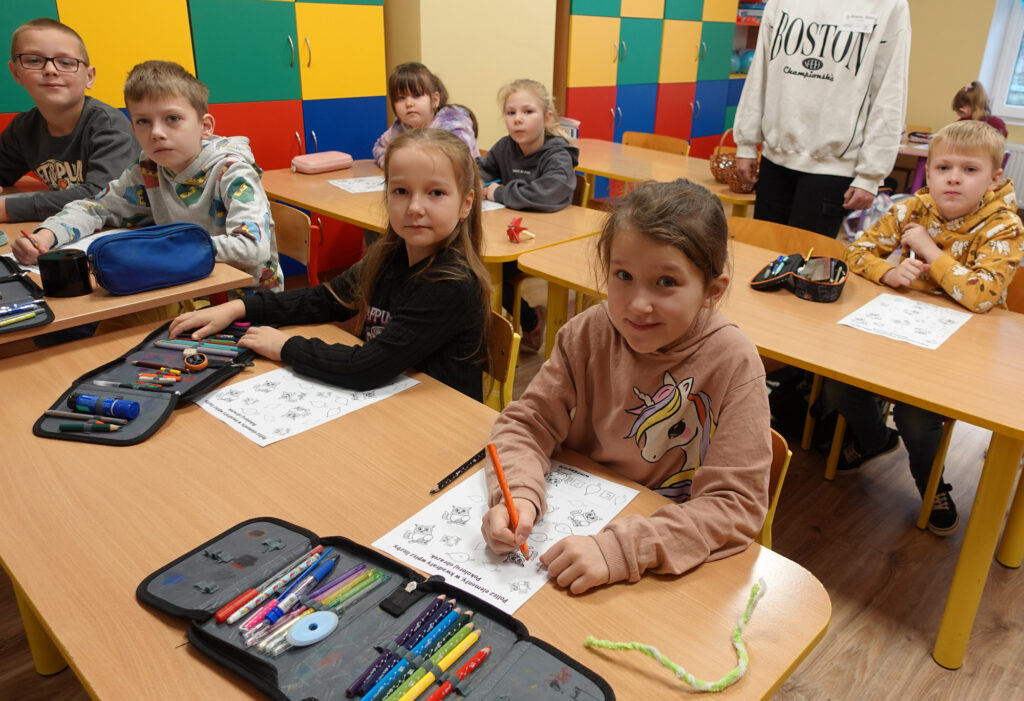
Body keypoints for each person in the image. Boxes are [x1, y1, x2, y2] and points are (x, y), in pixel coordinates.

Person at [480, 179, 771, 594]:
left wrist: (621, 550)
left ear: (712, 291)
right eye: (623, 276)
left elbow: (735, 506)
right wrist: (518, 495)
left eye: (666, 282)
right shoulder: (588, 332)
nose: (637, 304)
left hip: (662, 562)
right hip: (574, 532)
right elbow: (526, 424)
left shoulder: (734, 362)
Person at [168, 128, 492, 400]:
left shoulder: (451, 283)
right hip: (393, 404)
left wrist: (286, 346)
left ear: (466, 204)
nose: (415, 207)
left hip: (440, 424)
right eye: (401, 191)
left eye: (436, 193)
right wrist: (240, 309)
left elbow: (367, 367)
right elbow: (324, 299)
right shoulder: (390, 255)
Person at [823, 119, 1024, 536]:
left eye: (970, 170)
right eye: (943, 168)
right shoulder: (910, 209)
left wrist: (930, 251)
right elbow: (856, 251)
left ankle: (931, 484)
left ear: (994, 178)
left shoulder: (1005, 226)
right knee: (839, 386)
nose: (954, 178)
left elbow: (982, 296)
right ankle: (876, 440)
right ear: (928, 172)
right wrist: (887, 272)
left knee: (916, 418)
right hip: (900, 330)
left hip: (962, 347)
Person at [13, 60, 282, 297]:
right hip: (184, 290)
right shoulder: (149, 168)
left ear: (205, 126)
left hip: (246, 302)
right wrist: (46, 235)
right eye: (143, 121)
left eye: (172, 118)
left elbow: (251, 248)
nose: (156, 133)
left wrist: (154, 248)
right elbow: (95, 207)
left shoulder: (232, 172)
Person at [733, 0, 911, 239]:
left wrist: (871, 175)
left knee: (806, 258)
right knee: (762, 253)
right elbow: (760, 72)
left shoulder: (889, 6)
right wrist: (746, 144)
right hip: (774, 157)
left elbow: (890, 91)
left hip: (833, 166)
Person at [0, 18, 137, 223]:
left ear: (89, 77)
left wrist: (8, 209)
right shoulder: (23, 128)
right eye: (34, 60)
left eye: (66, 62)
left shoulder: (109, 126)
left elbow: (102, 195)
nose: (50, 70)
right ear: (16, 72)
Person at [477, 78, 580, 351]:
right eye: (511, 113)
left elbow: (550, 193)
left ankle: (530, 320)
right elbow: (482, 173)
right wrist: (476, 181)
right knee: (474, 263)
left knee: (486, 269)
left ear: (547, 118)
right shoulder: (504, 147)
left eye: (527, 111)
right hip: (512, 238)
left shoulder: (557, 155)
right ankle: (489, 332)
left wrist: (500, 192)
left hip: (549, 243)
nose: (518, 119)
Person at [372, 62, 478, 168]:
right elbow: (380, 147)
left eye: (416, 95)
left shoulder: (452, 123)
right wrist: (393, 165)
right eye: (401, 98)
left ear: (435, 99)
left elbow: (461, 160)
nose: (408, 103)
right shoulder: (401, 126)